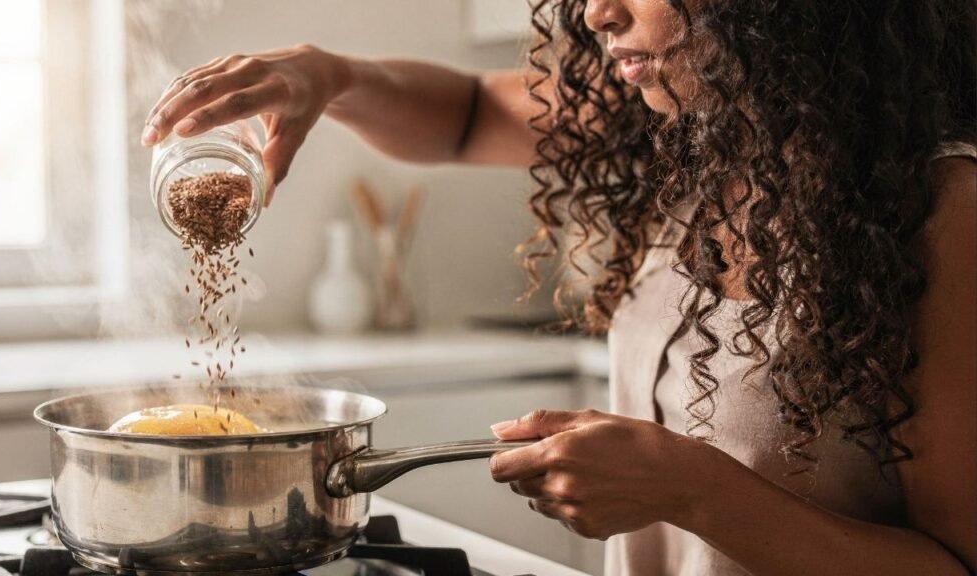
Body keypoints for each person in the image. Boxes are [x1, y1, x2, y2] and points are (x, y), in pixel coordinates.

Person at [141, 1, 976, 574]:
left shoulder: (942, 213)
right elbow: (467, 112)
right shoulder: (693, 137)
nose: (594, 11)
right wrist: (332, 75)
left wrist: (693, 488)